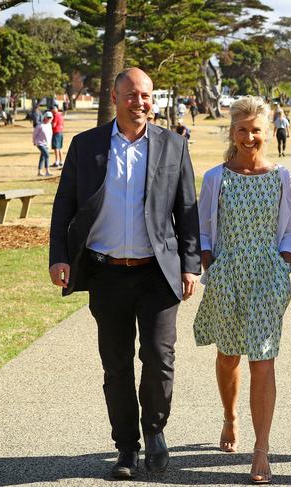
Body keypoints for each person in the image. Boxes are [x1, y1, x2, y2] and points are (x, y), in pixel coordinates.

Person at [48, 67, 201, 479]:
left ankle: (154, 431)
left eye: (146, 95)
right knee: (116, 365)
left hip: (157, 274)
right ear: (115, 98)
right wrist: (59, 257)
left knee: (159, 358)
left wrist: (190, 266)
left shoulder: (173, 145)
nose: (140, 102)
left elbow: (187, 210)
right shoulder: (87, 146)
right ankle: (126, 448)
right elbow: (65, 205)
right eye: (132, 95)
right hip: (106, 273)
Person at [193, 96, 291, 485]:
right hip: (226, 274)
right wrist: (208, 260)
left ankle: (261, 448)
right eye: (242, 129)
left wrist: (284, 260)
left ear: (267, 132)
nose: (249, 136)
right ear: (232, 132)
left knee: (263, 360)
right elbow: (204, 226)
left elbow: (288, 227)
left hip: (267, 276)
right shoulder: (216, 177)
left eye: (256, 129)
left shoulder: (281, 176)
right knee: (227, 356)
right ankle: (229, 417)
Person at [33, 111, 53, 177]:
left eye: (50, 118)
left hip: (46, 143)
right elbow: (34, 134)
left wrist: (49, 144)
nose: (49, 119)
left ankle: (39, 172)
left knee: (42, 157)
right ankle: (47, 171)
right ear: (45, 117)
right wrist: (34, 141)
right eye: (48, 117)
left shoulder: (49, 125)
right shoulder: (40, 125)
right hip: (40, 143)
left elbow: (50, 134)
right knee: (47, 155)